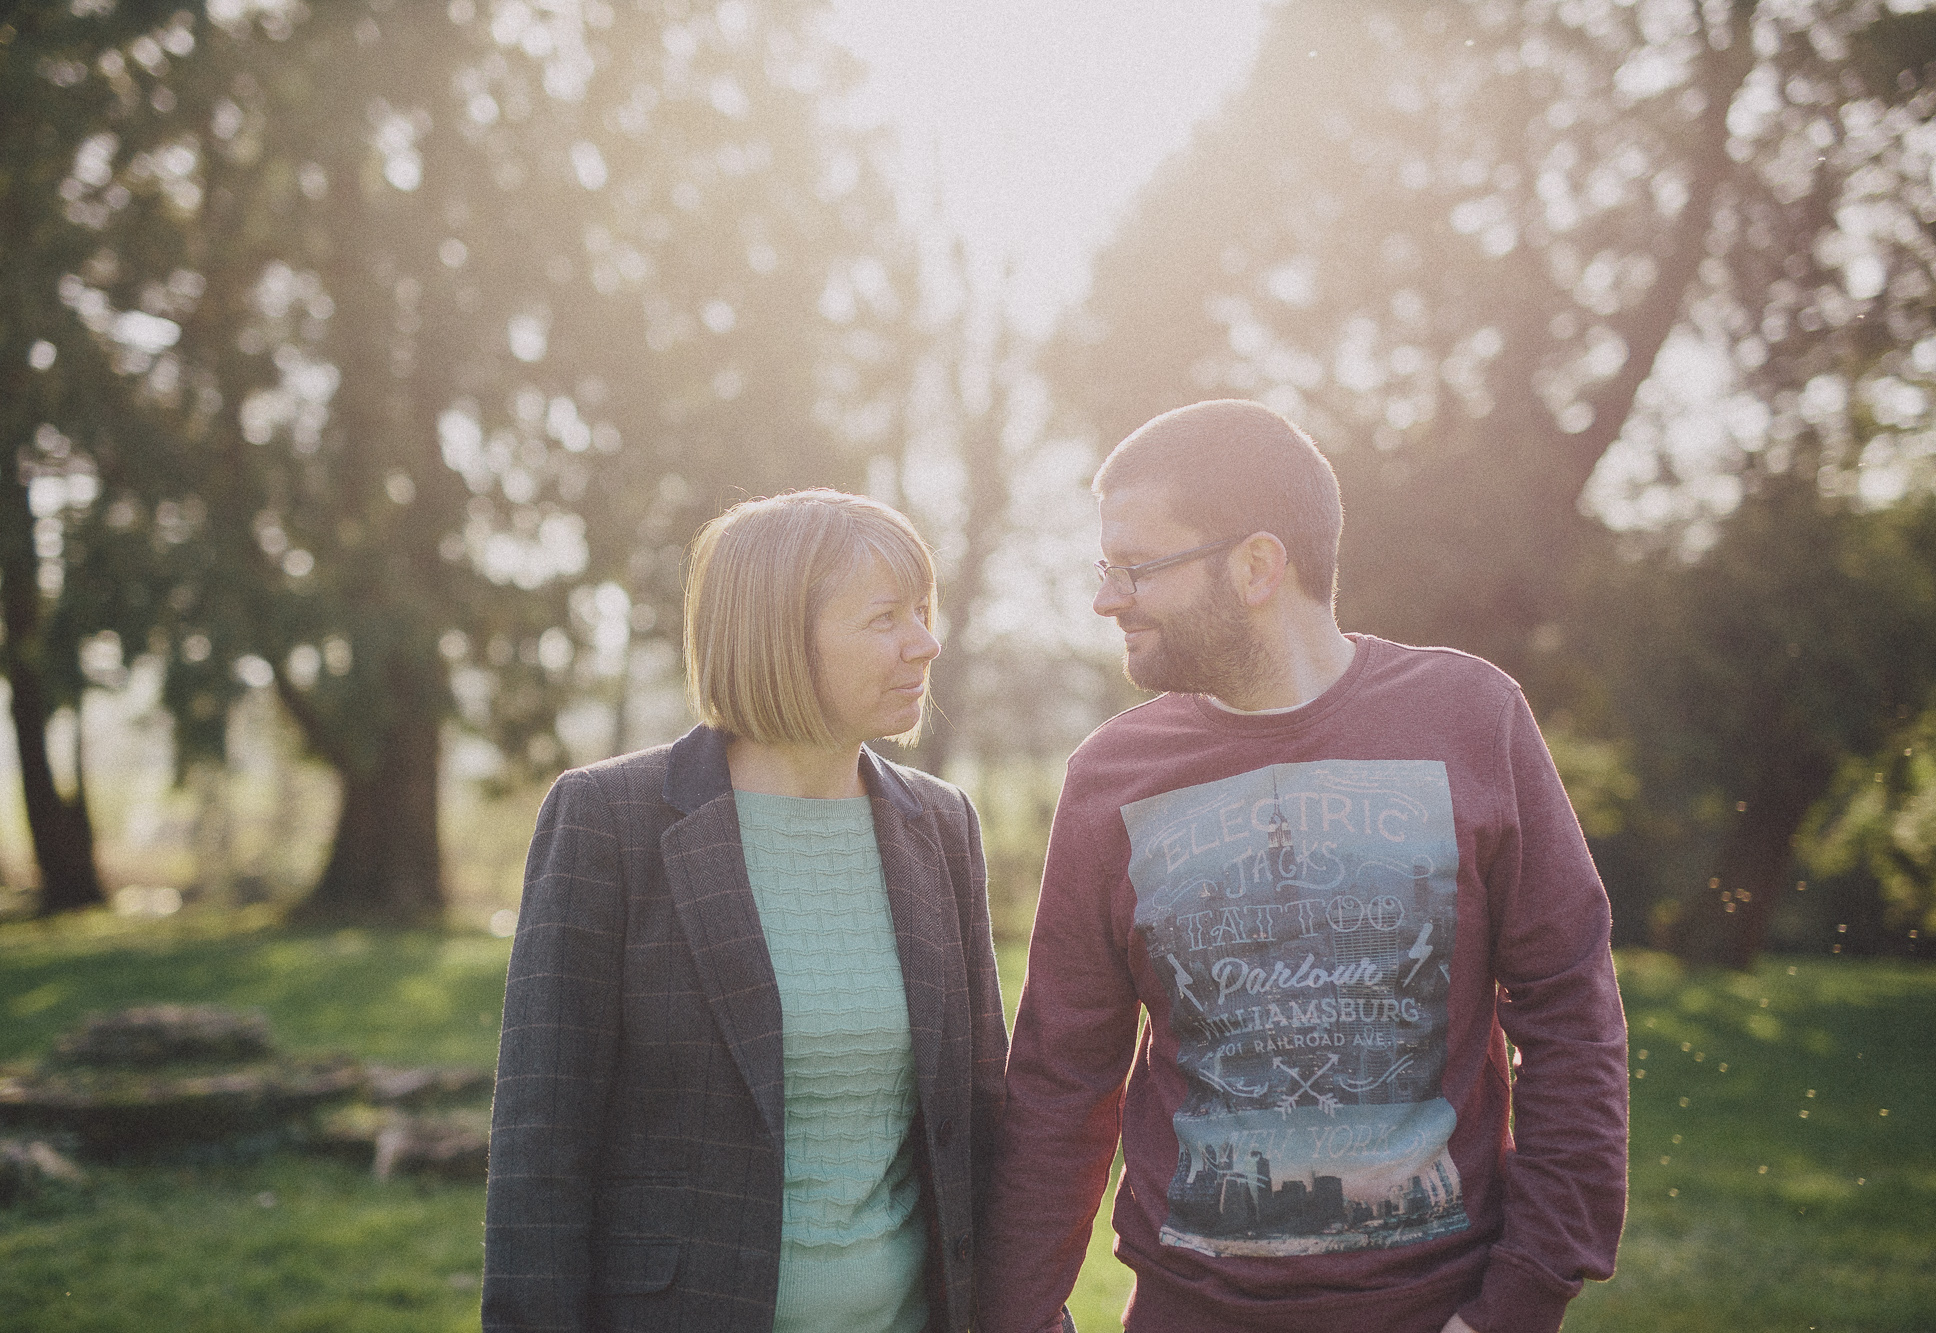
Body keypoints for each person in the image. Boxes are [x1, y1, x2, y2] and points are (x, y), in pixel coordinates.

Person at [978, 401, 1627, 1333]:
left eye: (1137, 566)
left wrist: (1516, 1305)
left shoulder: (1469, 718)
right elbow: (1060, 1080)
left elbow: (1571, 1014)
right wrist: (1019, 1316)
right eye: (1103, 566)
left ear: (1256, 565)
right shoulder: (1108, 777)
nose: (1106, 597)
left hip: (1439, 1310)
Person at [483, 489, 1008, 1333]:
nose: (925, 642)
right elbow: (541, 1151)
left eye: (923, 611)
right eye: (885, 618)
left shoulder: (941, 823)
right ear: (778, 637)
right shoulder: (607, 820)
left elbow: (981, 1118)